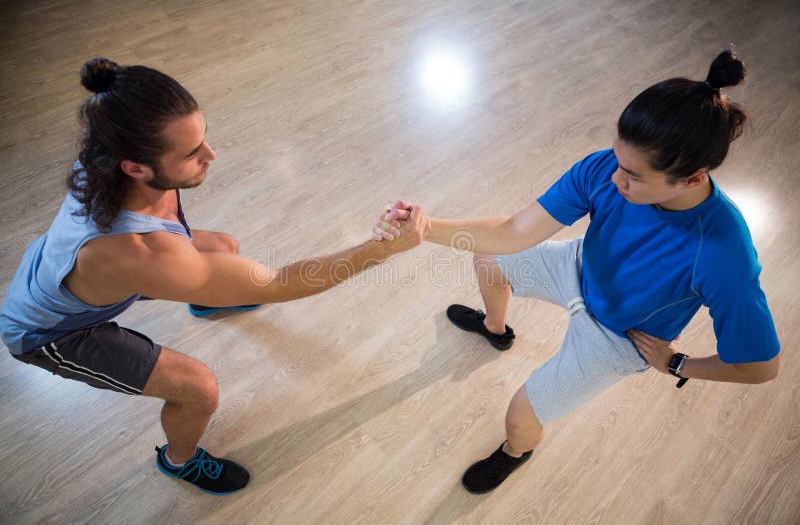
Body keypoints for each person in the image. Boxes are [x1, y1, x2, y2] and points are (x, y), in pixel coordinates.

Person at [0, 57, 429, 495]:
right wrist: (384, 249)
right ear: (134, 167)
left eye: (203, 138)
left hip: (78, 274)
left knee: (223, 246)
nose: (211, 154)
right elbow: (280, 284)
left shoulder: (105, 155)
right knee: (198, 389)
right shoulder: (143, 253)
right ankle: (180, 460)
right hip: (49, 332)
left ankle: (205, 297)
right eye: (191, 153)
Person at [376, 50, 781, 494]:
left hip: (620, 336)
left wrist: (678, 363)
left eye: (633, 176)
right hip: (580, 269)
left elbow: (759, 366)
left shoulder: (725, 253)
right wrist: (425, 228)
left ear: (692, 178)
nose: (614, 179)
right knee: (489, 259)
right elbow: (514, 230)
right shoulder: (606, 168)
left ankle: (515, 452)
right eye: (617, 159)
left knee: (520, 415)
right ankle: (496, 328)